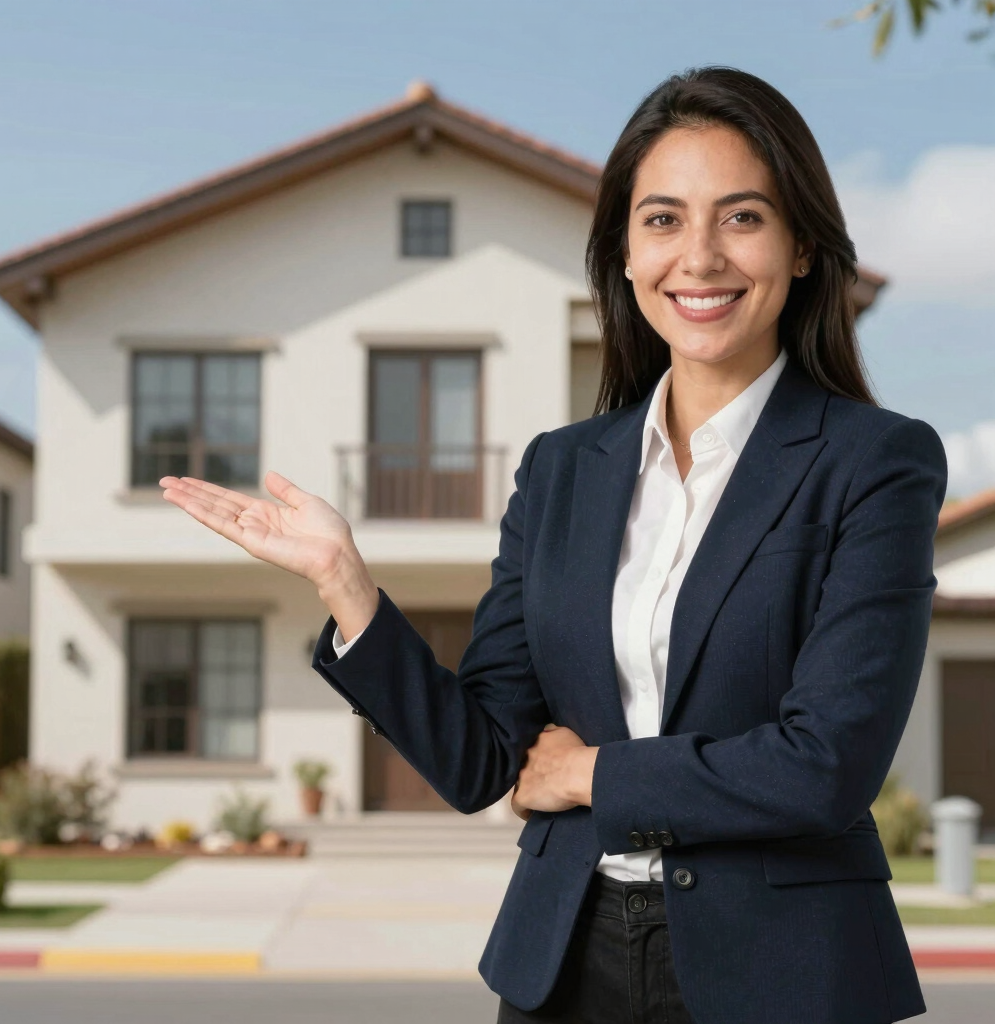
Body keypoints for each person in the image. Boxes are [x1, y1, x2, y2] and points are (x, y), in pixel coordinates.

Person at [160, 67, 947, 1024]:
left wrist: (591, 775)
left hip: (782, 974)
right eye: (662, 220)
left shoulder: (876, 462)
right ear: (623, 253)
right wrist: (345, 584)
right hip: (566, 962)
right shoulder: (563, 470)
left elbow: (826, 764)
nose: (697, 258)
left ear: (804, 248)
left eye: (741, 217)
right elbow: (485, 761)